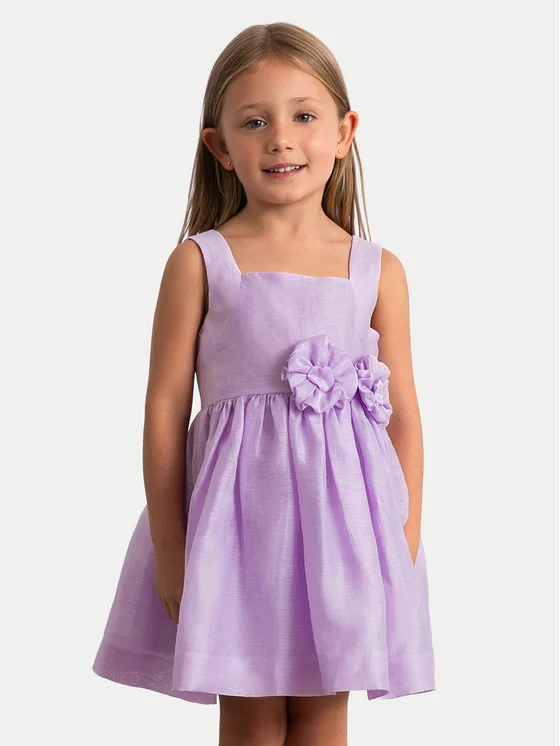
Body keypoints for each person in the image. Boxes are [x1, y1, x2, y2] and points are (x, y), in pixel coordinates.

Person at [92, 21, 436, 746]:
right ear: (220, 146)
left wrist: (400, 542)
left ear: (344, 132)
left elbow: (403, 413)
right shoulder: (200, 262)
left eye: (303, 116)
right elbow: (164, 408)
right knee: (249, 717)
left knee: (324, 714)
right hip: (238, 533)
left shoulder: (378, 270)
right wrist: (172, 546)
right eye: (254, 122)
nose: (281, 139)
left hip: (345, 537)